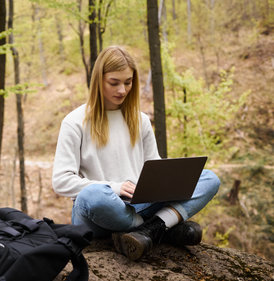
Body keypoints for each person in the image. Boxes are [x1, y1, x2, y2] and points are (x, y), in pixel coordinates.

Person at [52, 45, 220, 261]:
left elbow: (154, 169)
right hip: (101, 210)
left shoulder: (140, 120)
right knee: (93, 195)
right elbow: (61, 181)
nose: (122, 90)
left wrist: (171, 178)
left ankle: (151, 230)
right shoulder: (75, 122)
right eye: (114, 83)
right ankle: (162, 227)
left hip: (139, 204)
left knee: (210, 179)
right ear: (98, 81)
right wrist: (114, 187)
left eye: (128, 82)